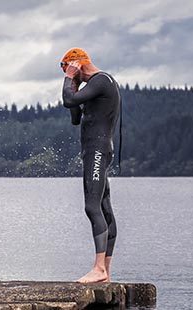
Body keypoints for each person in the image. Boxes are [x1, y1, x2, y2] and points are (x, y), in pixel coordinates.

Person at [60, 47, 121, 283]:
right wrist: (73, 84)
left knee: (92, 206)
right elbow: (75, 116)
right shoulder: (93, 87)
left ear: (76, 64)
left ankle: (99, 269)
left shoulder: (102, 81)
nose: (66, 74)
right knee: (104, 207)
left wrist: (68, 80)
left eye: (66, 67)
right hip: (96, 151)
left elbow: (67, 100)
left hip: (97, 150)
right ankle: (105, 272)